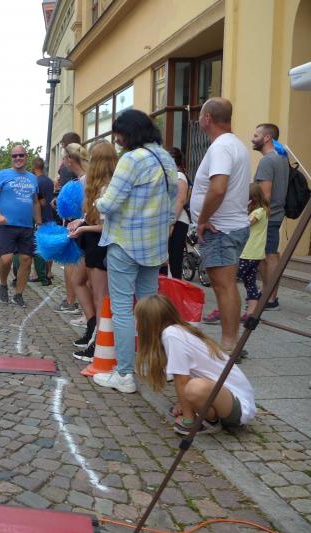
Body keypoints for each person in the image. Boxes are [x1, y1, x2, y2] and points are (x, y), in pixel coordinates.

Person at [94, 109, 177, 393]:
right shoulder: (166, 158)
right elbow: (172, 201)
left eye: (118, 134)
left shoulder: (131, 159)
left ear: (128, 132)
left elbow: (110, 203)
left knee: (122, 310)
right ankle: (159, 365)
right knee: (149, 308)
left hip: (126, 241)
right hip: (154, 245)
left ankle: (124, 374)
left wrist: (98, 201)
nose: (117, 140)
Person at [134, 294, 255, 435]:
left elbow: (182, 380)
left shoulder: (172, 335)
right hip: (227, 398)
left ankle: (200, 422)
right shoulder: (177, 331)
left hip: (238, 406)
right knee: (192, 387)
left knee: (193, 388)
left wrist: (188, 418)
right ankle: (207, 417)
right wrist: (183, 403)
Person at [191, 98, 251, 353]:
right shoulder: (235, 144)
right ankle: (231, 342)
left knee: (224, 287)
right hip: (230, 226)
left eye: (200, 116)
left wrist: (203, 219)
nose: (198, 120)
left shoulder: (221, 147)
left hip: (221, 229)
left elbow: (218, 188)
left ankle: (229, 345)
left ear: (208, 118)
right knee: (226, 286)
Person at [67, 141, 117, 362]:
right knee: (78, 280)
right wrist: (82, 222)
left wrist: (84, 228)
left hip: (100, 244)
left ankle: (99, 343)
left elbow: (107, 226)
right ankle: (92, 328)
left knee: (101, 297)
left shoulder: (107, 187)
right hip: (92, 243)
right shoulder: (98, 185)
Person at [206, 183, 270, 324]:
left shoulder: (259, 212)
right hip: (255, 255)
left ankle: (222, 310)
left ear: (252, 199)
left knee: (228, 282)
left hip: (248, 254)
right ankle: (251, 313)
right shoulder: (262, 211)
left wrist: (241, 209)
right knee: (250, 283)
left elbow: (245, 223)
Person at [0, 145, 41, 308]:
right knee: (6, 259)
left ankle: (18, 294)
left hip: (26, 226)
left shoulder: (33, 178)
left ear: (26, 156)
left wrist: (39, 222)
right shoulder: (2, 175)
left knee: (26, 260)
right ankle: (3, 284)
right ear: (11, 158)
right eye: (14, 156)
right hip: (5, 225)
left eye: (21, 155)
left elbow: (35, 202)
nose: (18, 158)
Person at [252, 123, 290, 311]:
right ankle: (269, 294)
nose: (252, 138)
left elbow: (265, 195)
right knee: (270, 255)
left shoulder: (267, 161)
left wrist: (254, 215)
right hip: (276, 214)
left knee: (267, 256)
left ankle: (270, 298)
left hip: (267, 216)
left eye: (256, 135)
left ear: (267, 138)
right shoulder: (281, 157)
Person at [60, 144, 90, 319]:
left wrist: (81, 221)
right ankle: (89, 317)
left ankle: (90, 318)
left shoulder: (85, 180)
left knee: (83, 278)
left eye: (64, 158)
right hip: (82, 228)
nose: (63, 163)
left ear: (69, 160)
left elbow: (91, 209)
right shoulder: (81, 179)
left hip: (86, 231)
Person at [162, 148, 190, 279]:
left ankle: (175, 287)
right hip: (173, 221)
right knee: (169, 259)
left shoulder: (179, 176)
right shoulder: (173, 176)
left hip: (178, 221)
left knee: (174, 259)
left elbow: (180, 200)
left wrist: (171, 223)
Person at [31, 157, 55, 285]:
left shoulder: (35, 181)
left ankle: (37, 273)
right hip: (50, 216)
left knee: (38, 246)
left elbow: (39, 202)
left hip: (39, 218)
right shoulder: (50, 181)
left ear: (34, 167)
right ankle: (49, 272)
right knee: (49, 245)